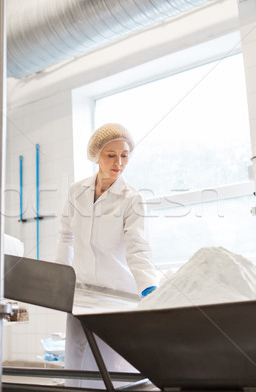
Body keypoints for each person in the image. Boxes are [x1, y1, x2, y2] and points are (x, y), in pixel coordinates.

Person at [55, 123, 159, 387]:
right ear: (96, 155)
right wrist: (57, 278)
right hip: (80, 290)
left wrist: (149, 288)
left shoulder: (131, 198)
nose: (119, 162)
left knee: (108, 367)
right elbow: (66, 236)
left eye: (124, 155)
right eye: (111, 155)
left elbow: (138, 247)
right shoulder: (76, 191)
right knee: (77, 358)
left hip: (115, 293)